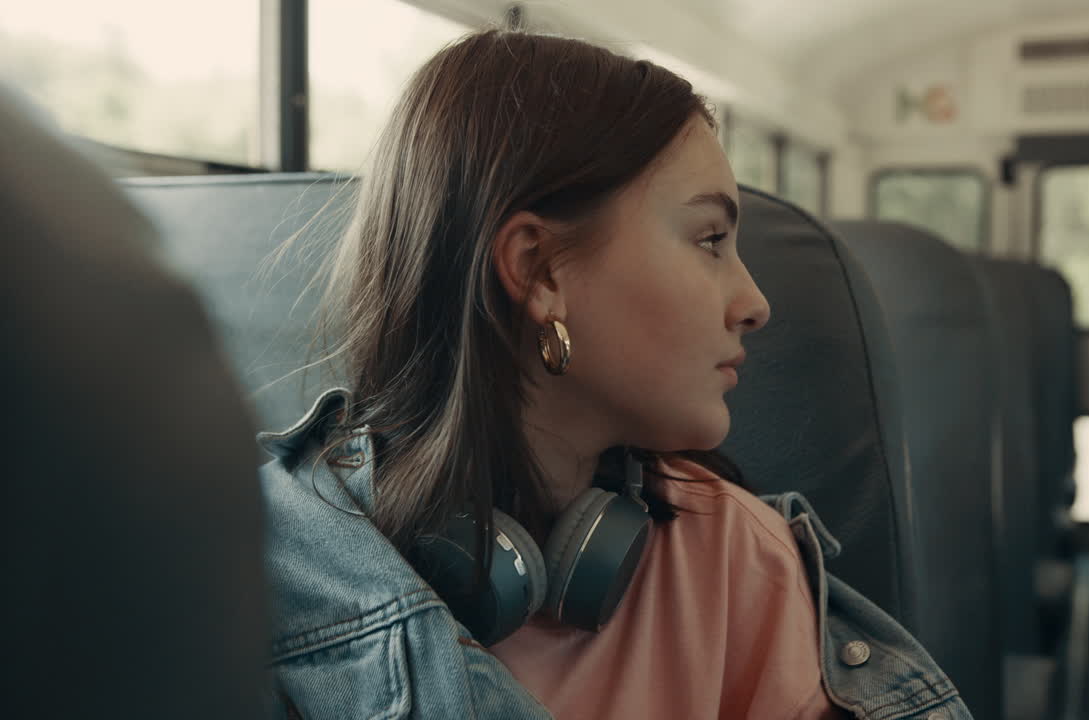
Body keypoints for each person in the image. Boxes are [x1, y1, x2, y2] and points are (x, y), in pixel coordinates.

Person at [259, 29, 972, 719]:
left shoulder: (733, 560)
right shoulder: (256, 566)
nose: (754, 304)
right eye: (710, 240)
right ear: (540, 270)